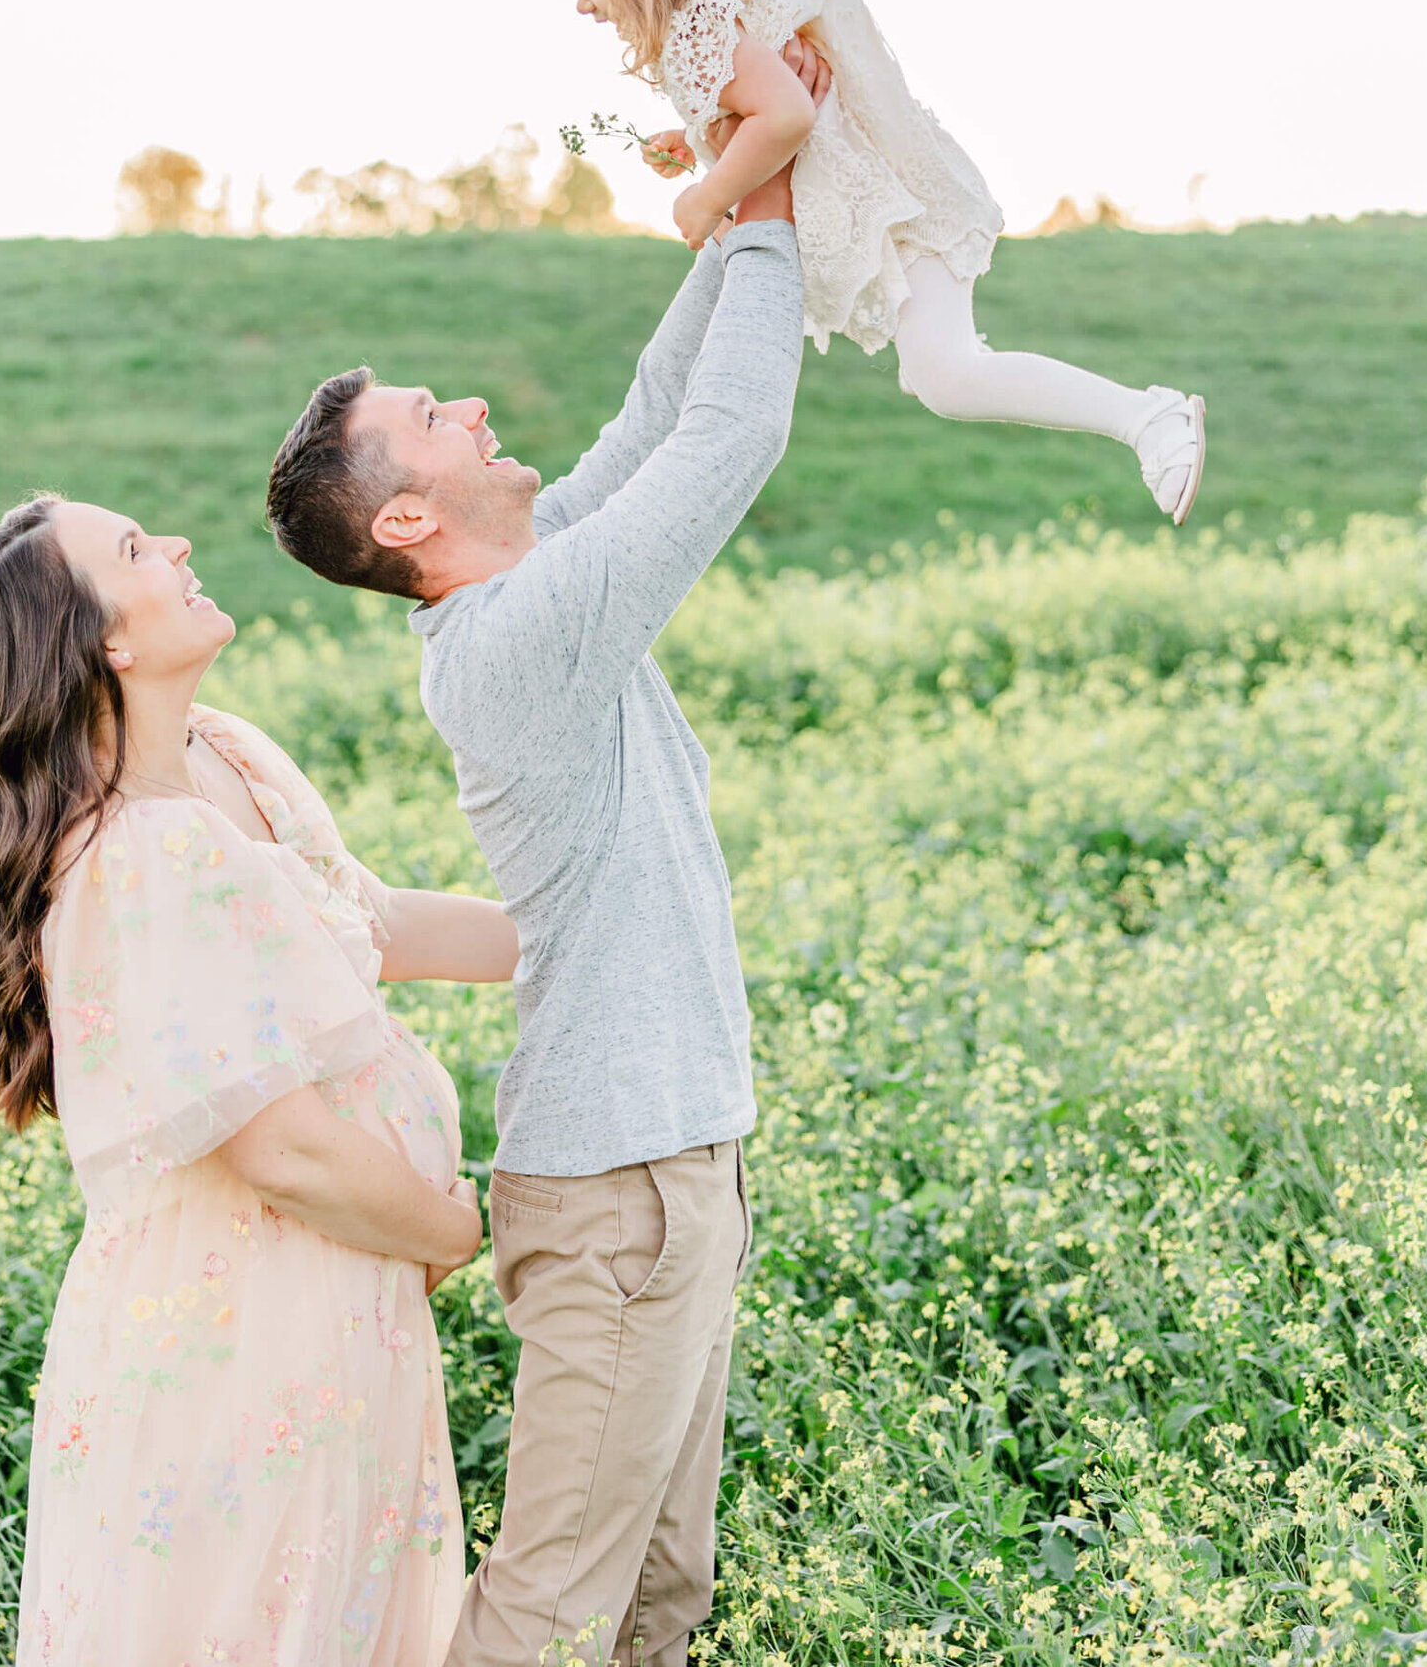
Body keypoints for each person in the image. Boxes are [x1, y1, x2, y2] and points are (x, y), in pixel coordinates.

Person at [264, 80, 825, 1667]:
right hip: (620, 1191)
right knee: (551, 1610)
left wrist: (727, 203)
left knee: (657, 1604)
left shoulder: (535, 579)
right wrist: (768, 190)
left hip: (677, 1166)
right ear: (412, 514)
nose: (481, 415)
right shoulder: (515, 642)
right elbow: (732, 436)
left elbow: (653, 416)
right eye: (442, 420)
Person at [0, 496, 518, 1667]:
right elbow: (280, 1148)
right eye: (138, 552)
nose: (180, 545)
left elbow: (372, 923)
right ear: (109, 645)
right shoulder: (139, 853)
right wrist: (465, 1228)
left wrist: (594, 936)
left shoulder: (227, 753)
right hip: (240, 1335)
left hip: (337, 1298)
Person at [541, 0, 1208, 527]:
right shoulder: (718, 1)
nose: (582, 2)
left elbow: (788, 116)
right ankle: (1147, 419)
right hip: (893, 199)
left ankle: (1151, 419)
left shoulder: (695, 26)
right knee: (943, 375)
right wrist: (700, 136)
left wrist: (708, 195)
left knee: (949, 377)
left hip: (894, 212)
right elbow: (774, 101)